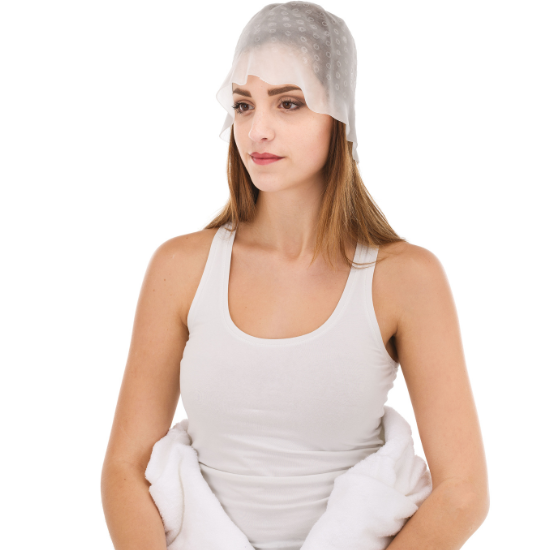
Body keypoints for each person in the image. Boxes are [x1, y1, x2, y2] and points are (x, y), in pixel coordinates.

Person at [101, 3, 489, 549]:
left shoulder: (405, 278)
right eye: (243, 105)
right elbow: (125, 467)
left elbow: (463, 493)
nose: (257, 130)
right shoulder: (181, 268)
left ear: (339, 114)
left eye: (289, 103)